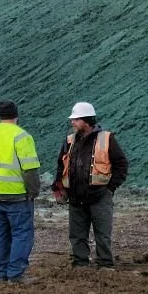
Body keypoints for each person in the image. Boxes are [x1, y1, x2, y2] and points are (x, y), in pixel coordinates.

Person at [51, 100, 129, 268]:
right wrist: (58, 185)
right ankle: (80, 263)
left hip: (100, 196)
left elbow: (121, 165)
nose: (72, 122)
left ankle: (105, 264)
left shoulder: (107, 138)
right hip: (75, 196)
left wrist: (109, 189)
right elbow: (61, 164)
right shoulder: (69, 140)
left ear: (86, 120)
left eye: (76, 119)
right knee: (77, 234)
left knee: (102, 233)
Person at [0, 101, 40, 283]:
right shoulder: (22, 136)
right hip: (17, 195)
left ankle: (2, 273)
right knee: (21, 234)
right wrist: (33, 192)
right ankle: (16, 274)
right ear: (16, 115)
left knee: (1, 233)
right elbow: (30, 170)